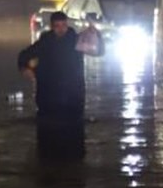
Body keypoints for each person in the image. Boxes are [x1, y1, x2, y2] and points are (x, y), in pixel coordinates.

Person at [17, 11, 102, 159]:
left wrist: (96, 35)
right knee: (48, 145)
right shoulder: (45, 43)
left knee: (73, 145)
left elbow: (98, 51)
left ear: (67, 24)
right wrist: (24, 68)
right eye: (57, 26)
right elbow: (24, 56)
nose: (61, 29)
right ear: (52, 26)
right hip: (49, 97)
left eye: (63, 25)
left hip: (72, 98)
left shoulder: (76, 41)